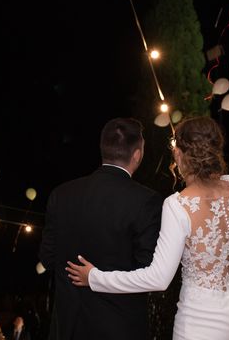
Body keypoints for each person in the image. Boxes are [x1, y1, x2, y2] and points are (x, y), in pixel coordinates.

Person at [66, 75, 229, 340]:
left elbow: (158, 278)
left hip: (202, 322)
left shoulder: (178, 205)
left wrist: (96, 277)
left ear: (179, 155)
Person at [39, 116, 163, 340]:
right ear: (137, 154)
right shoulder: (146, 201)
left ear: (103, 149)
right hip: (120, 328)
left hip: (68, 328)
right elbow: (147, 269)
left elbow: (48, 257)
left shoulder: (61, 194)